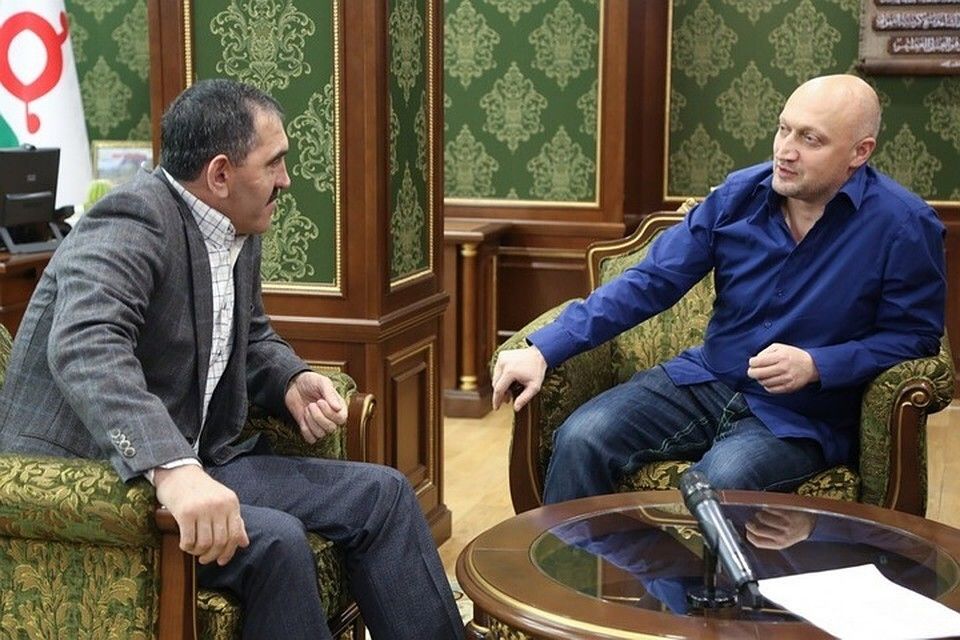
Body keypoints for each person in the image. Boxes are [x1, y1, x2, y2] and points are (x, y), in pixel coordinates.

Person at [0, 79, 463, 640]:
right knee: (278, 541)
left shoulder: (237, 223)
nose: (286, 179)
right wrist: (173, 468)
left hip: (204, 457)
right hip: (92, 479)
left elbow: (251, 336)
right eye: (274, 163)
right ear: (220, 175)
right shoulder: (130, 220)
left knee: (384, 495)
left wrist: (290, 379)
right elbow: (85, 345)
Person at [492, 74, 946, 504]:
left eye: (810, 139)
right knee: (582, 437)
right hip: (708, 378)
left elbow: (915, 338)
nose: (785, 151)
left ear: (859, 152)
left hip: (802, 415)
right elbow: (651, 281)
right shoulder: (737, 197)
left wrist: (817, 365)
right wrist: (544, 349)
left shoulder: (904, 226)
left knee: (718, 481)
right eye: (783, 129)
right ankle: (574, 564)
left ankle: (685, 570)